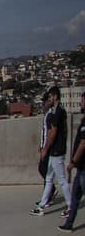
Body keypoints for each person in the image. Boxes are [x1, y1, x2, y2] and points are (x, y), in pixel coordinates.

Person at [32, 86, 68, 216]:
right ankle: (43, 203)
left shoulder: (54, 113)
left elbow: (51, 133)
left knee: (58, 178)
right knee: (48, 177)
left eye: (47, 99)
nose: (44, 103)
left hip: (54, 150)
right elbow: (45, 133)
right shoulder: (50, 114)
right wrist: (42, 146)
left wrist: (45, 148)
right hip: (50, 149)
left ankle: (68, 205)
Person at [59, 98, 85, 232]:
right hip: (80, 169)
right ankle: (69, 224)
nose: (81, 103)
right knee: (75, 198)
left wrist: (73, 162)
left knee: (76, 197)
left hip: (83, 168)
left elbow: (83, 144)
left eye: (82, 101)